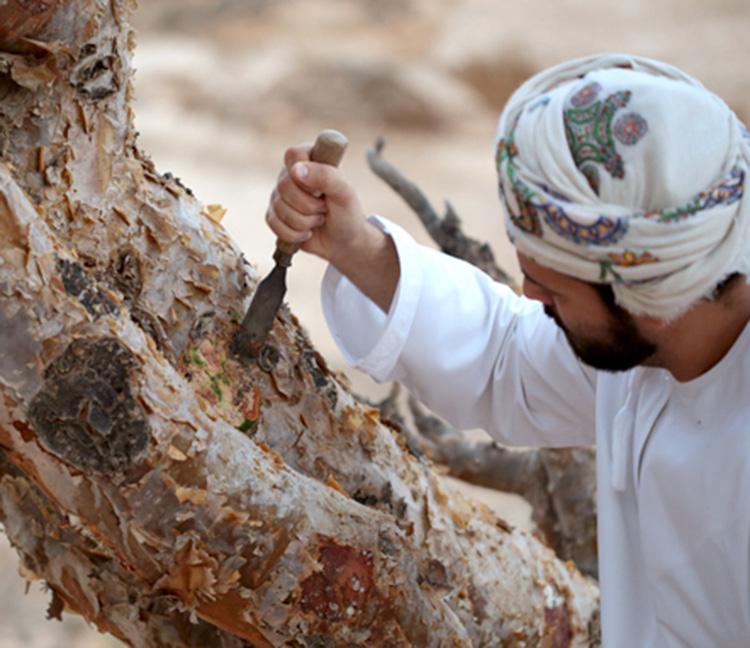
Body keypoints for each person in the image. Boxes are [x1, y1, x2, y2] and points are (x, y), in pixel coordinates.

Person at [265, 53, 750, 648]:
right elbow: (509, 357)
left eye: (553, 286)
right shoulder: (657, 334)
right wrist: (356, 245)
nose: (531, 294)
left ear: (652, 295)